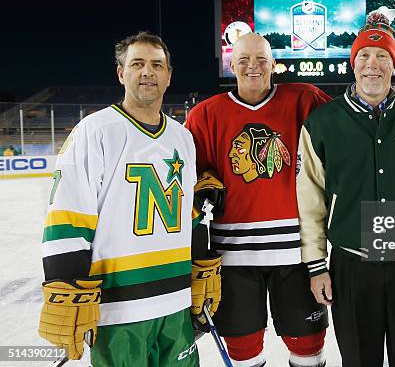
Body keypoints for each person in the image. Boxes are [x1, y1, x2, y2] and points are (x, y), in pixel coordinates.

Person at [38, 32, 221, 366]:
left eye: (156, 64)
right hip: (118, 310)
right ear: (121, 73)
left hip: (176, 305)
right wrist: (65, 286)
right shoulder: (95, 131)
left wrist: (200, 262)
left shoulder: (183, 138)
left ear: (169, 75)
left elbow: (188, 214)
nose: (147, 72)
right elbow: (67, 217)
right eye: (137, 64)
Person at [185, 33, 333, 367]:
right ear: (231, 65)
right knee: (244, 351)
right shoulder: (204, 115)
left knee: (307, 347)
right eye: (244, 60)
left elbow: (351, 118)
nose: (253, 67)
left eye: (261, 59)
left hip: (297, 253)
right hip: (232, 258)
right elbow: (187, 179)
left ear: (273, 64)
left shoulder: (305, 98)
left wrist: (392, 97)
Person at [296, 14, 395, 367]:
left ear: (394, 66)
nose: (372, 65)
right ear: (352, 63)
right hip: (351, 263)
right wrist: (315, 266)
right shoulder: (322, 123)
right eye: (364, 56)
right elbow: (310, 201)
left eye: (382, 56)